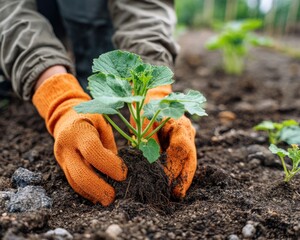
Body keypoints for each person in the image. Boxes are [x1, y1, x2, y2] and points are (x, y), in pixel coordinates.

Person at [0, 0, 197, 206]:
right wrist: (58, 96)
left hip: (101, 17)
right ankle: (36, 69)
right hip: (31, 17)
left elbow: (146, 6)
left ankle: (88, 66)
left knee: (97, 73)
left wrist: (155, 92)